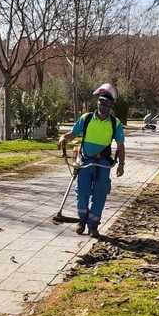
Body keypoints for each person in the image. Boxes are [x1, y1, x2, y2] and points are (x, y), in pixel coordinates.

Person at [58, 83, 125, 238]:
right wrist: (64, 137)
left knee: (100, 195)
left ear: (111, 105)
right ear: (97, 102)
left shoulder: (116, 124)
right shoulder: (86, 118)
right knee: (82, 193)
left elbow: (120, 146)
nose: (103, 107)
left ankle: (93, 226)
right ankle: (82, 220)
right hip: (86, 161)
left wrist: (121, 164)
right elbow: (73, 133)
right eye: (101, 102)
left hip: (103, 163)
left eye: (107, 104)